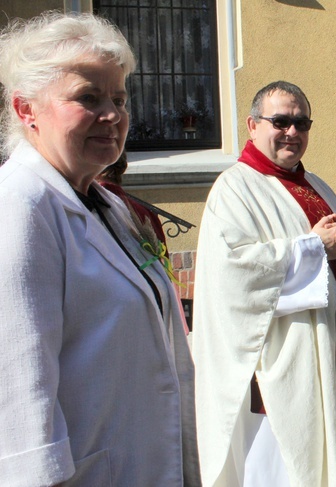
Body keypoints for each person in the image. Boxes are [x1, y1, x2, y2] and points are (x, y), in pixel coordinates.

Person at [0, 12, 199, 486]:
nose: (112, 115)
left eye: (119, 98)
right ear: (27, 109)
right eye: (88, 98)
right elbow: (20, 383)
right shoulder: (20, 204)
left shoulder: (107, 204)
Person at [191, 81, 336, 487]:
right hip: (289, 363)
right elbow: (234, 273)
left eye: (301, 123)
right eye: (280, 121)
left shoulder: (315, 183)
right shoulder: (235, 189)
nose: (292, 132)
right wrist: (315, 247)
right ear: (252, 125)